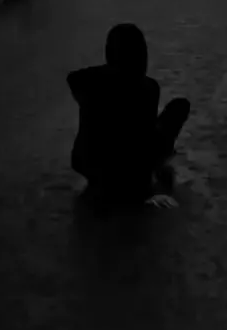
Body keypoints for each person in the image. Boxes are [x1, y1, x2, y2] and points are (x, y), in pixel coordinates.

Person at [67, 23, 190, 209]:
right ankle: (152, 172)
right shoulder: (148, 88)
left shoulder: (89, 82)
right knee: (180, 106)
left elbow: (73, 78)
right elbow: (144, 136)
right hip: (129, 171)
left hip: (90, 164)